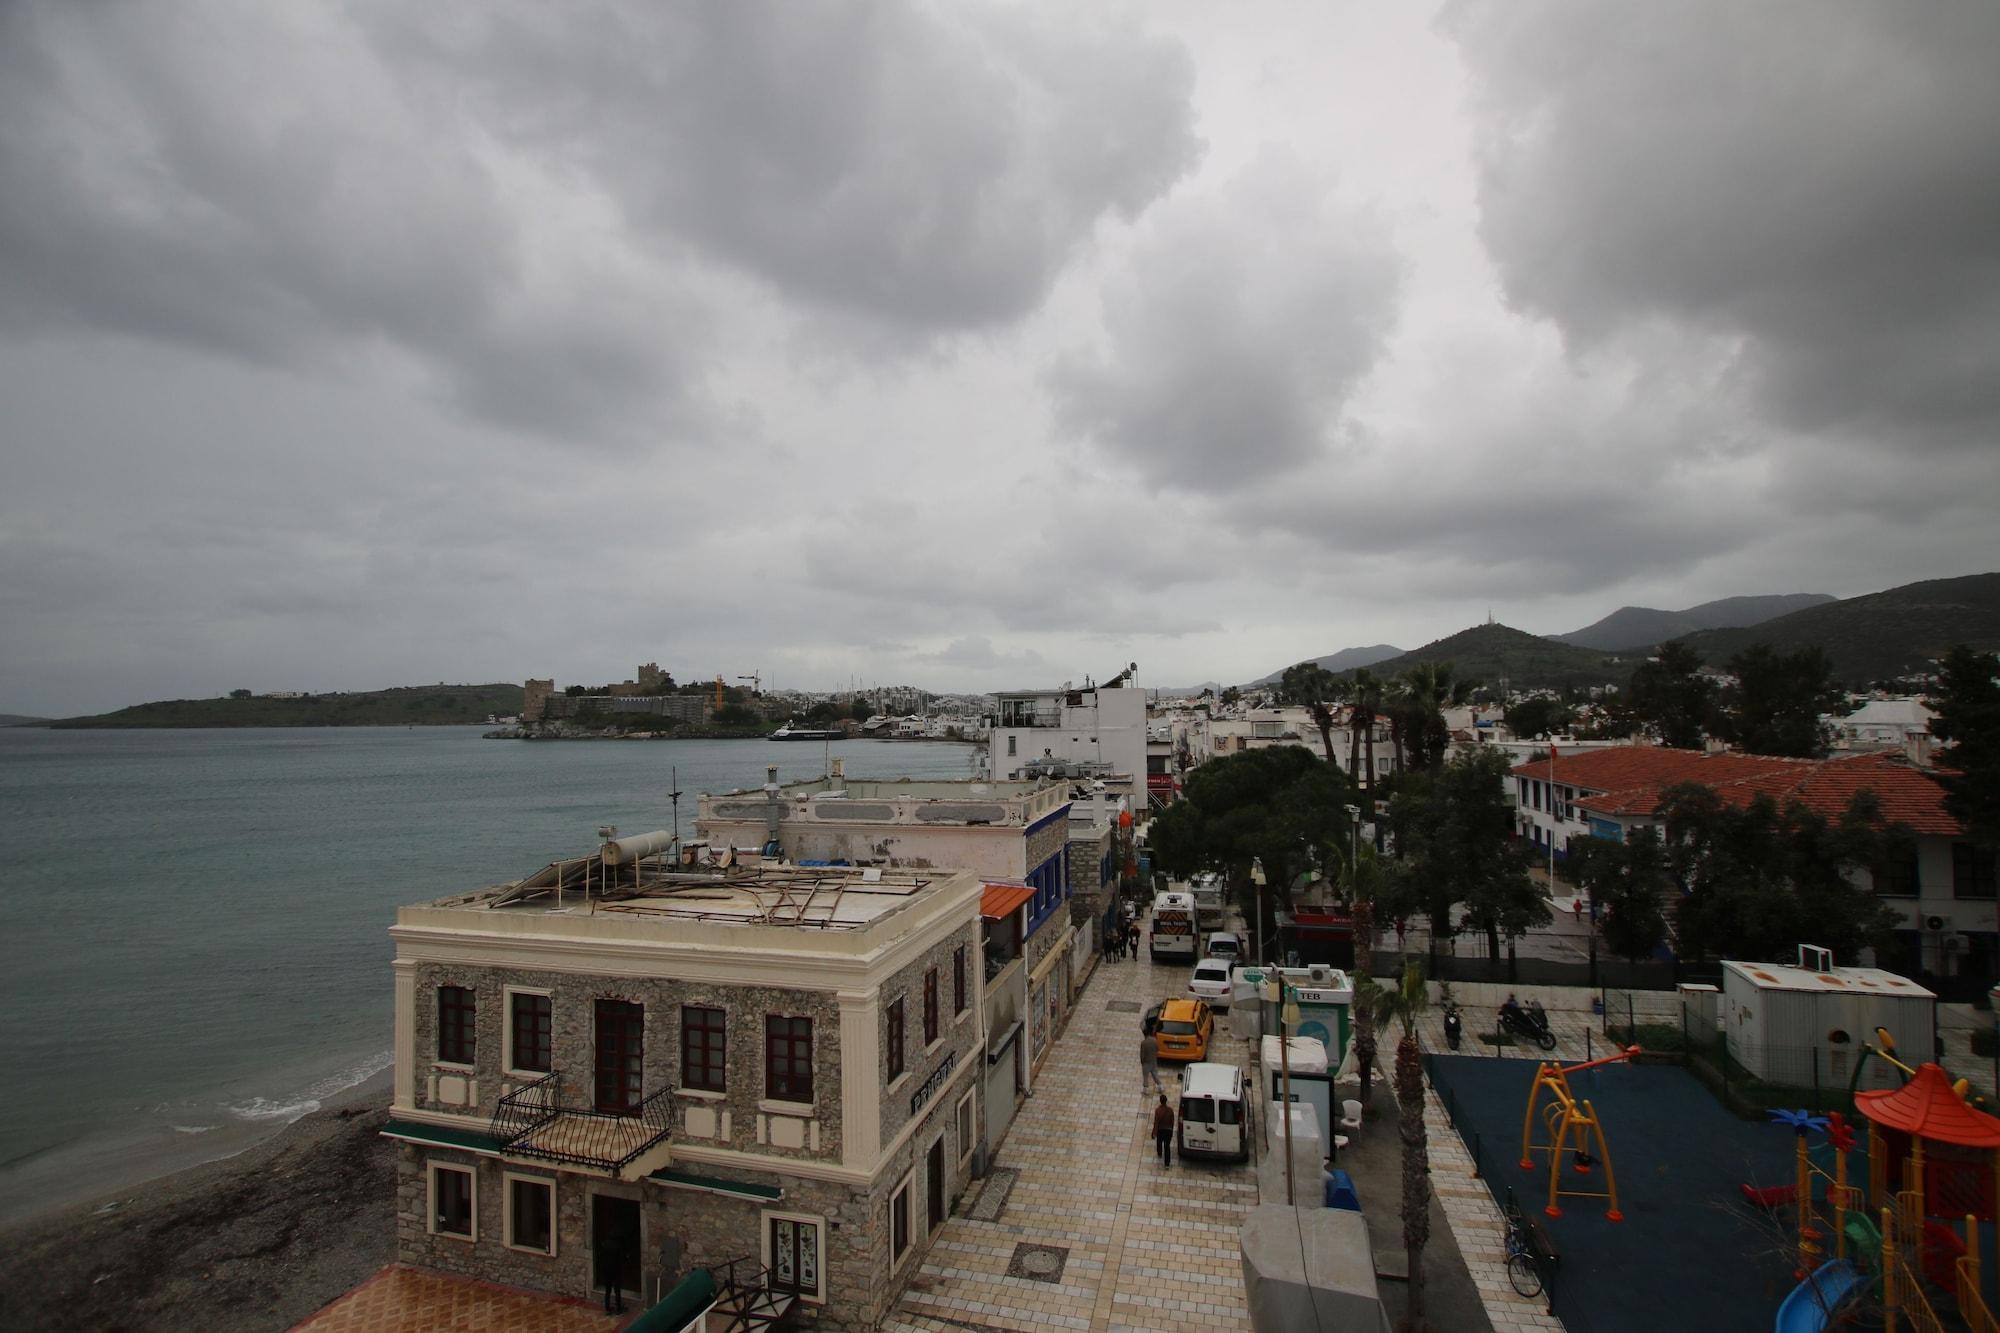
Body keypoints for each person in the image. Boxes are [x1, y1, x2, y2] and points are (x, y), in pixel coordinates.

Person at [1152, 1092, 1175, 1167]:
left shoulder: (1158, 1110)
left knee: (1159, 1142)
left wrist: (1154, 1132)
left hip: (1160, 1130)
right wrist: (1171, 1130)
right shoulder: (1170, 1110)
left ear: (1160, 1101)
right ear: (1166, 1101)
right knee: (1167, 1146)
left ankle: (1159, 1153)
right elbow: (1172, 1121)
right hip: (1168, 1130)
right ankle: (1167, 1163)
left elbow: (1156, 1122)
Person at [1140, 1023, 1159, 1092]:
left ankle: (1146, 1089)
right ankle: (1161, 1086)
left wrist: (1142, 1062)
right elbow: (1157, 1049)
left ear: (1144, 1034)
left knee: (1145, 1076)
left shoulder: (1143, 1043)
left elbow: (1142, 1054)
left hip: (1146, 1062)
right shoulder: (1154, 1040)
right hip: (1153, 1061)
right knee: (1155, 1074)